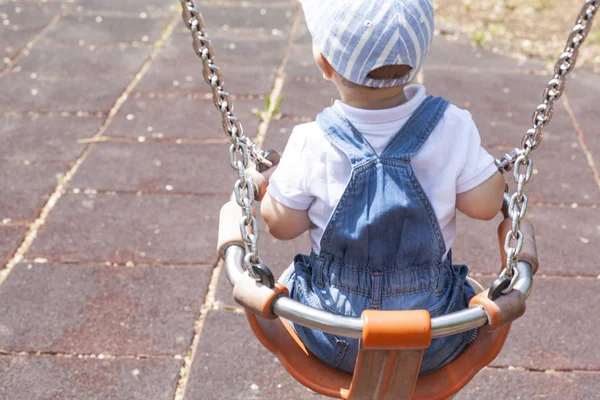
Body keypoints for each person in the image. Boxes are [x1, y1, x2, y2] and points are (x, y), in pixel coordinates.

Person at [260, 0, 505, 375]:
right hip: (432, 337)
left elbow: (281, 226)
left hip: (333, 335)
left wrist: (268, 186)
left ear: (325, 63)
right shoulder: (452, 126)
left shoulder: (311, 141)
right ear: (417, 60)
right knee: (466, 291)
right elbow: (487, 205)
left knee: (292, 279)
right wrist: (492, 172)